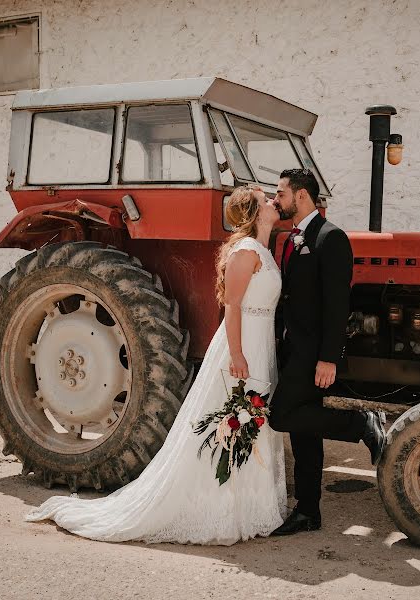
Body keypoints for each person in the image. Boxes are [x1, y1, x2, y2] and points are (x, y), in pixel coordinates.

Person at [25, 187, 287, 545]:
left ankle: (250, 504)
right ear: (256, 212)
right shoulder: (245, 252)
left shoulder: (261, 250)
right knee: (235, 418)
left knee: (251, 421)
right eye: (266, 199)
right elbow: (233, 306)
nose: (274, 201)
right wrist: (238, 354)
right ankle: (224, 506)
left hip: (260, 343)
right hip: (243, 346)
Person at [269, 168, 385, 536]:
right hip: (291, 347)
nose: (277, 199)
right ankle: (308, 511)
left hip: (313, 353)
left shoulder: (332, 238)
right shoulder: (291, 238)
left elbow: (338, 304)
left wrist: (328, 358)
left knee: (281, 416)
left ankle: (362, 424)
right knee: (305, 430)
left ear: (301, 196)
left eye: (281, 193)